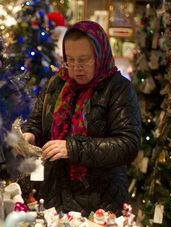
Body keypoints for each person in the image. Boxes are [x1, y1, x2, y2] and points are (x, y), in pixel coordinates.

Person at [22, 21, 141, 216]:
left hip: (101, 202)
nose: (76, 68)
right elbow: (37, 121)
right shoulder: (57, 83)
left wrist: (72, 148)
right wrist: (29, 135)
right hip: (55, 195)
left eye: (84, 60)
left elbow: (128, 145)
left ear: (99, 55)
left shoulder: (118, 89)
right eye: (70, 60)